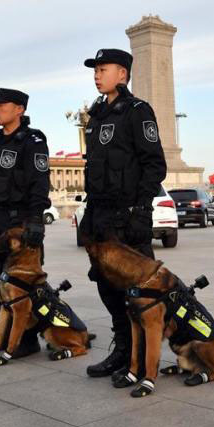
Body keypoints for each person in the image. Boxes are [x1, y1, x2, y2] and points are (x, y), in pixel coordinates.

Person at [78, 48, 167, 380]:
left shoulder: (137, 112)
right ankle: (122, 349)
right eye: (95, 69)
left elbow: (154, 164)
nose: (97, 74)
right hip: (100, 215)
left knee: (139, 291)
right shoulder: (97, 114)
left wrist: (142, 209)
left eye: (103, 69)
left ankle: (142, 357)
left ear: (123, 74)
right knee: (106, 286)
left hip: (128, 215)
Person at [0, 88, 51, 359]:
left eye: (1, 104)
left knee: (22, 283)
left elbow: (39, 182)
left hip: (19, 221)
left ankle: (27, 339)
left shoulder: (32, 140)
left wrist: (35, 221)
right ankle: (7, 334)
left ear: (19, 109)